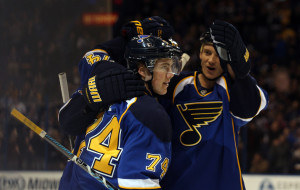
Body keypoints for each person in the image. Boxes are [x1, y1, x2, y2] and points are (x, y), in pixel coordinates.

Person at [58, 35, 182, 190]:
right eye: (164, 67)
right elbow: (137, 184)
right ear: (142, 70)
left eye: (172, 67)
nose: (170, 74)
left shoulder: (104, 88)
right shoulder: (151, 114)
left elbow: (91, 57)